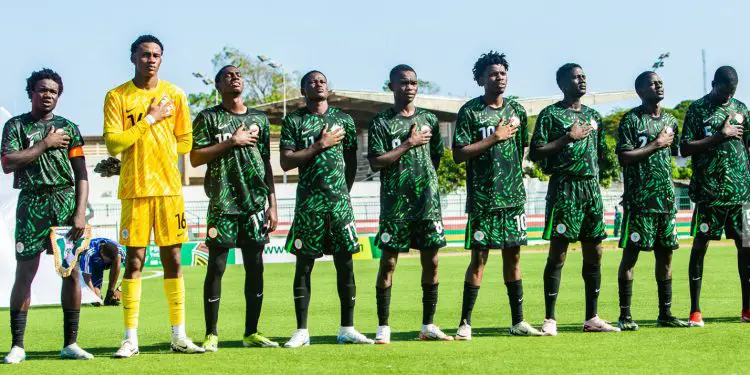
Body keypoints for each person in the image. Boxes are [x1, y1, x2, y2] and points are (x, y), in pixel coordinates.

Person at [103, 34, 203, 357]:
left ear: (162, 59)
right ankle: (130, 338)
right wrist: (150, 120)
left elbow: (185, 143)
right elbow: (114, 144)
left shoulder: (176, 95)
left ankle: (179, 335)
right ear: (132, 57)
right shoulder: (117, 96)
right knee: (134, 260)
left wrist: (159, 152)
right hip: (134, 191)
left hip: (169, 191)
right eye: (144, 54)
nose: (151, 59)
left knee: (174, 259)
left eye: (156, 55)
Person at [2, 68, 92, 363]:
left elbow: (81, 174)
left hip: (65, 206)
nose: (47, 95)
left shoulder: (70, 128)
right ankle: (17, 345)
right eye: (42, 89)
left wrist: (80, 213)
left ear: (58, 96)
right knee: (24, 274)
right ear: (31, 92)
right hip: (31, 206)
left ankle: (71, 343)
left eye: (53, 91)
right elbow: (8, 162)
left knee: (71, 273)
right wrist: (44, 144)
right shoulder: (16, 126)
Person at [279, 70, 372, 347]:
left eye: (322, 81)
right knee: (304, 266)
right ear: (302, 90)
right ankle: (302, 331)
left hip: (339, 204)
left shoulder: (344, 120)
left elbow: (352, 160)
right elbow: (286, 162)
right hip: (309, 205)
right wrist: (320, 144)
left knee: (345, 265)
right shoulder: (294, 120)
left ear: (328, 89)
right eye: (311, 81)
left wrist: (344, 191)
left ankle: (347, 328)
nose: (317, 84)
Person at [452, 52, 541, 339]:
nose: (499, 77)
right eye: (492, 74)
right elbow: (458, 154)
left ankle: (518, 321)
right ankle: (465, 323)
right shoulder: (470, 112)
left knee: (513, 259)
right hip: (483, 199)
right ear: (480, 79)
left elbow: (522, 149)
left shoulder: (517, 110)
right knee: (479, 259)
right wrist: (493, 138)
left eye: (502, 73)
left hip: (513, 199)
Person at [190, 65, 279, 350]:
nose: (235, 77)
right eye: (228, 75)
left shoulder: (259, 119)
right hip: (222, 204)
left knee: (255, 268)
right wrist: (232, 141)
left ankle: (251, 332)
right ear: (217, 85)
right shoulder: (208, 117)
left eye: (238, 74)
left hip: (254, 204)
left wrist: (272, 205)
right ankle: (211, 334)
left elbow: (265, 163)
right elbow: (194, 158)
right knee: (216, 268)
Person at [529, 63, 620, 335]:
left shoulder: (594, 115)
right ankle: (550, 319)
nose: (581, 80)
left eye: (583, 76)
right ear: (562, 83)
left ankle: (592, 317)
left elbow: (602, 152)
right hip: (564, 189)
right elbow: (535, 153)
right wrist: (567, 137)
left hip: (590, 189)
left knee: (595, 252)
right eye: (575, 77)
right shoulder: (551, 115)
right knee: (558, 253)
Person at [369, 64, 451, 344]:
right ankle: (383, 327)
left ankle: (428, 324)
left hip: (426, 204)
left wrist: (423, 182)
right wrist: (408, 143)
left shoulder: (429, 119)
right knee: (388, 263)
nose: (410, 87)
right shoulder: (381, 122)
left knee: (432, 261)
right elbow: (376, 162)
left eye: (414, 83)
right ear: (391, 86)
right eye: (403, 83)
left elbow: (436, 157)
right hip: (395, 205)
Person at [615, 71, 688, 330]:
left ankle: (665, 314)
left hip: (665, 202)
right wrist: (656, 144)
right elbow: (624, 157)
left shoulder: (670, 119)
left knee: (666, 258)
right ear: (640, 91)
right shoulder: (631, 120)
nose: (658, 86)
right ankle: (625, 316)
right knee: (631, 257)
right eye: (652, 83)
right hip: (639, 202)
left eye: (660, 83)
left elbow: (679, 152)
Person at [679, 66, 750, 326]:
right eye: (723, 90)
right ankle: (695, 310)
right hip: (709, 192)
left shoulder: (742, 108)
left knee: (747, 249)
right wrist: (720, 136)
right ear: (713, 84)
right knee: (700, 248)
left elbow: (747, 146)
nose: (727, 95)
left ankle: (747, 309)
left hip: (741, 194)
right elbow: (685, 147)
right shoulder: (697, 109)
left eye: (732, 91)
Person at [79, 237, 126, 306]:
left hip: (107, 261)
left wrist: (120, 289)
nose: (110, 262)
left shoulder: (120, 250)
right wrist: (93, 295)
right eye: (108, 260)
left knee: (118, 258)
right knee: (96, 299)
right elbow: (87, 277)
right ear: (101, 253)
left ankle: (110, 292)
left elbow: (131, 271)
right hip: (94, 266)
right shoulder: (89, 252)